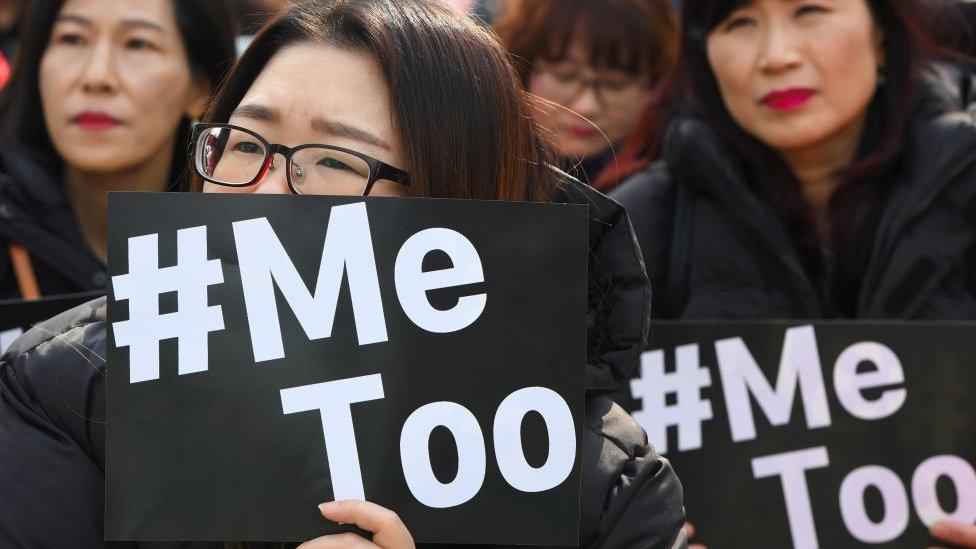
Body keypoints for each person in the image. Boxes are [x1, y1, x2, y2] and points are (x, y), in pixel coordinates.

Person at [0, 1, 687, 548]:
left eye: (334, 161)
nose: (264, 194)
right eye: (242, 144)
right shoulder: (68, 385)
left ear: (455, 211)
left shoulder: (598, 479)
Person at [609, 0, 976, 545]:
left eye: (810, 10)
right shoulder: (630, 229)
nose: (776, 55)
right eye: (739, 23)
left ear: (881, 32)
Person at [0, 0, 237, 299]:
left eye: (137, 44)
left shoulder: (240, 244)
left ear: (202, 89)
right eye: (72, 38)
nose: (96, 77)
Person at [493, 0, 677, 190]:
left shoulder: (677, 189)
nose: (586, 107)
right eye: (564, 76)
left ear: (656, 87)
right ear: (519, 72)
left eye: (615, 85)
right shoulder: (481, 168)